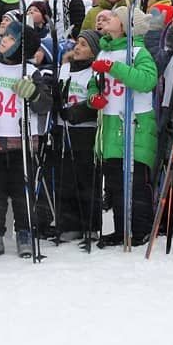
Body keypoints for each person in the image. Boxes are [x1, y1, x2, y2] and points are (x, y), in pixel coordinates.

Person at [0, 20, 51, 257]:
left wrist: (34, 94)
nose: (3, 39)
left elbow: (45, 104)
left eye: (11, 38)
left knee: (22, 192)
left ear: (23, 46)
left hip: (21, 144)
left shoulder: (31, 73)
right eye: (4, 35)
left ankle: (25, 232)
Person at [87, 5, 159, 246]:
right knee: (116, 182)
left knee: (136, 181)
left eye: (115, 16)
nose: (107, 17)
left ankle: (141, 228)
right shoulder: (104, 51)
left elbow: (147, 81)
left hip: (135, 124)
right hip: (109, 124)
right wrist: (94, 95)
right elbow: (94, 82)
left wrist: (114, 68)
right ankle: (121, 229)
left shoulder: (138, 51)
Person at [54, 30, 102, 241]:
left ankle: (89, 223)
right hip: (63, 129)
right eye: (77, 43)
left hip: (85, 130)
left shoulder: (95, 71)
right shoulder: (64, 68)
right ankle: (68, 223)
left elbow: (96, 101)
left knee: (86, 179)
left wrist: (75, 112)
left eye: (84, 44)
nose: (78, 47)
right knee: (66, 179)